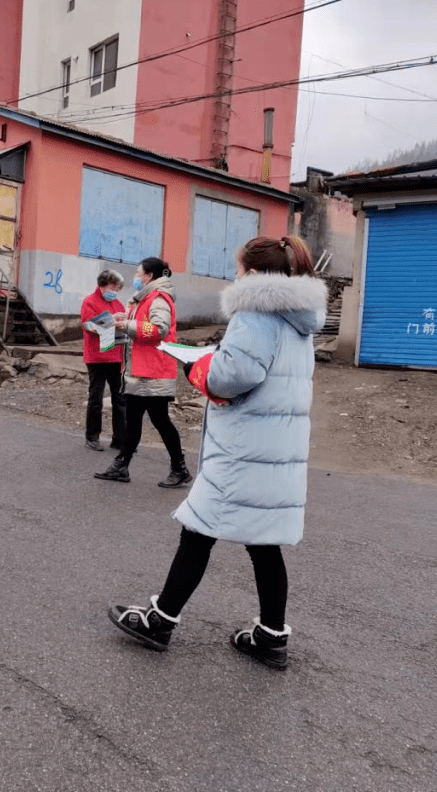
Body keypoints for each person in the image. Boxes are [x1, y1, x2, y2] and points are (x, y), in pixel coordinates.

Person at [107, 236, 327, 670]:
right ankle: (270, 635)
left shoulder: (256, 312)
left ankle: (160, 621)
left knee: (199, 528)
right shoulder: (299, 319)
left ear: (255, 273)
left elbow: (234, 376)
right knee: (263, 540)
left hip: (244, 447)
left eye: (239, 267)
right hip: (274, 447)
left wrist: (200, 366)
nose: (236, 275)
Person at [94, 256, 190, 488]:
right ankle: (121, 466)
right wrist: (122, 320)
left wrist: (127, 325)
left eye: (138, 273)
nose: (135, 277)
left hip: (154, 372)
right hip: (141, 372)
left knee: (160, 421)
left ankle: (179, 468)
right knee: (133, 420)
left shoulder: (158, 298)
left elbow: (159, 329)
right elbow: (141, 328)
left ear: (148, 276)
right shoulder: (143, 299)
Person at [81, 269, 127, 451]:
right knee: (96, 399)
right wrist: (111, 320)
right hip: (96, 357)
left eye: (117, 288)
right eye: (113, 286)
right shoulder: (89, 302)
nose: (115, 290)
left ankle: (119, 438)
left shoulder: (118, 304)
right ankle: (92, 437)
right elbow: (88, 326)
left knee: (120, 399)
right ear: (102, 285)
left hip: (115, 356)